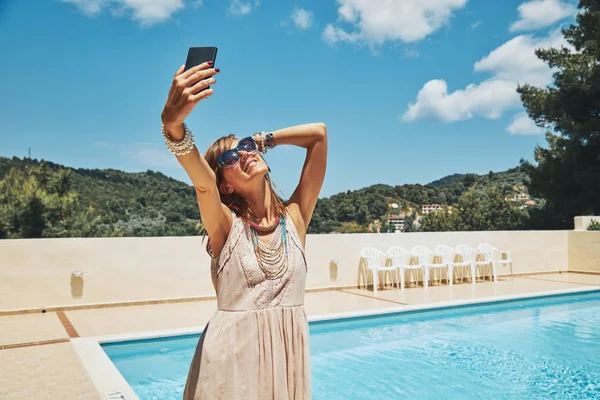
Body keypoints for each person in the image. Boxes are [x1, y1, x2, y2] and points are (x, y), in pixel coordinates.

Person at [160, 60, 327, 399]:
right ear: (226, 187)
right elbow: (203, 184)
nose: (243, 155)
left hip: (285, 367)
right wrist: (173, 125)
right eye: (229, 159)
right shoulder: (226, 228)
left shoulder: (294, 219)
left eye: (246, 148)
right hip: (230, 371)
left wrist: (262, 139)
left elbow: (319, 136)